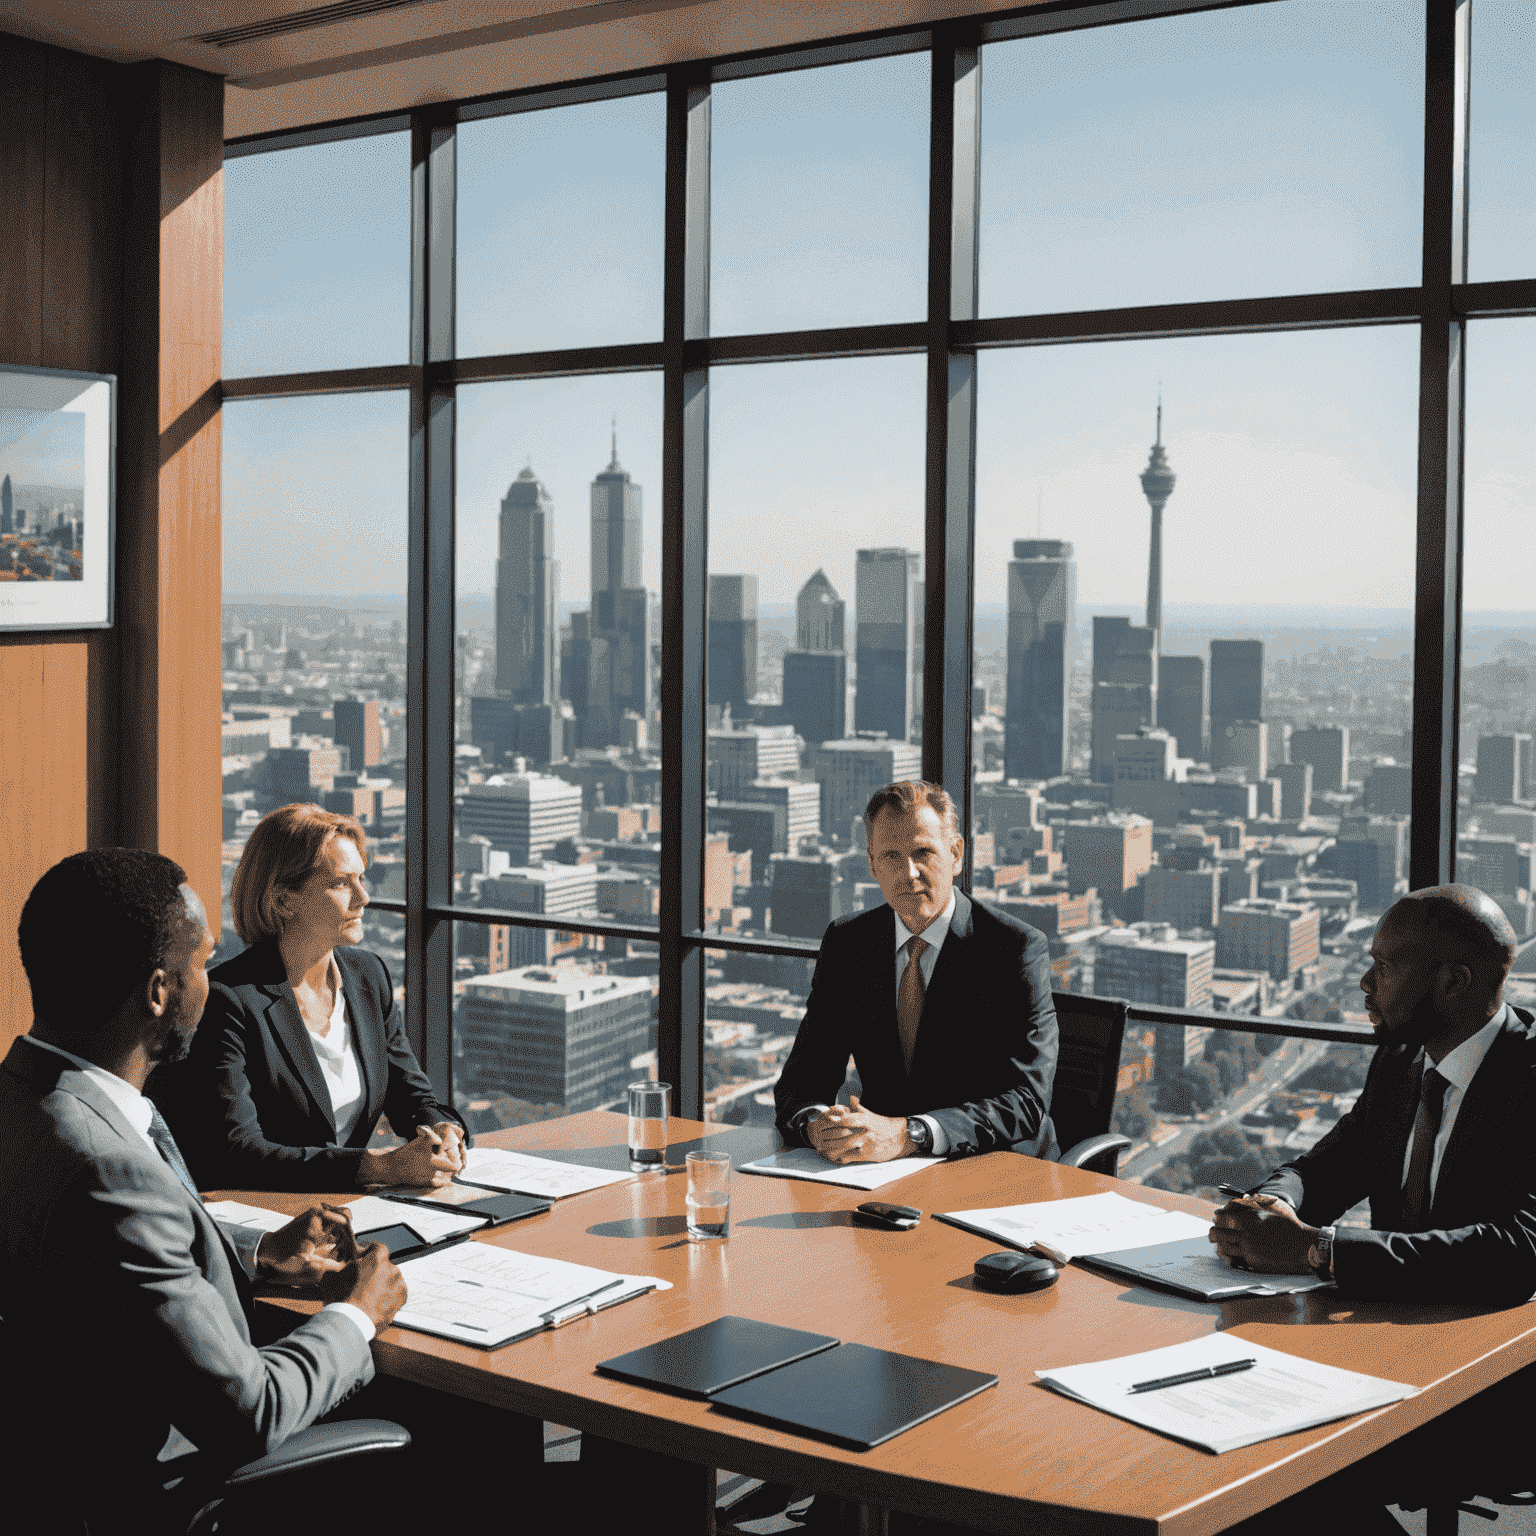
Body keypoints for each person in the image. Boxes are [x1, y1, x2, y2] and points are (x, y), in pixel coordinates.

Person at [0, 849, 407, 1534]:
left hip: (48, 1477)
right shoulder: (108, 1169)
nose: (212, 984)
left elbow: (105, 1259)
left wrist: (251, 1253)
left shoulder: (24, 1105)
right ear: (159, 992)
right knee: (448, 1441)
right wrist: (360, 1314)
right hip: (163, 1493)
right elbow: (251, 1413)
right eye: (202, 963)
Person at [1209, 883, 1536, 1304]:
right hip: (1387, 1317)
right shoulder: (1401, 1059)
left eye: (1383, 967)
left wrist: (1320, 1252)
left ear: (1453, 982)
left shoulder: (1527, 1081)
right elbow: (1332, 1165)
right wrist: (1272, 1203)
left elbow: (1519, 1250)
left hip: (1486, 1338)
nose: (1365, 983)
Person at [157, 804, 468, 1191]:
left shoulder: (368, 976)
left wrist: (443, 1127)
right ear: (285, 900)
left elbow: (413, 1095)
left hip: (349, 1209)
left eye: (362, 879)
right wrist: (378, 1168)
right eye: (341, 883)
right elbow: (236, 1152)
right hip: (271, 1222)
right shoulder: (228, 1000)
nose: (363, 897)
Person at [774, 779, 1059, 1163]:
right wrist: (817, 1124)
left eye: (923, 852)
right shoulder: (848, 942)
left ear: (956, 854)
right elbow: (802, 1080)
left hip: (996, 1167)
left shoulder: (1013, 949)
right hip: (883, 1170)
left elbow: (1025, 1102)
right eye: (890, 856)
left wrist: (913, 1134)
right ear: (872, 865)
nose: (908, 873)